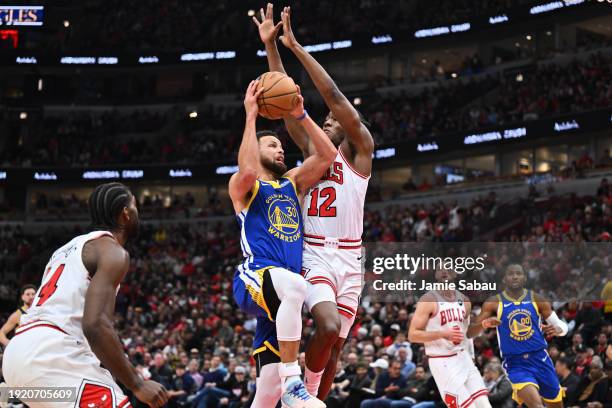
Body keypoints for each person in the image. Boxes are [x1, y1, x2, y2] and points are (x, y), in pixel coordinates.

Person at [253, 3, 375, 400]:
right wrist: (274, 48)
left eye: (334, 120)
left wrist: (297, 47)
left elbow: (335, 96)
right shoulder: (312, 152)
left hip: (351, 260)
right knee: (325, 328)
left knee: (336, 345)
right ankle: (302, 394)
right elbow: (286, 98)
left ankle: (316, 400)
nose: (328, 120)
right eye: (325, 120)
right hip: (316, 255)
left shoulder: (360, 151)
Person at [2, 182, 169, 408]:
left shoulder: (64, 249)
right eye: (135, 207)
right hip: (51, 355)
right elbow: (95, 325)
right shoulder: (112, 252)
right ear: (125, 214)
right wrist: (137, 384)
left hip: (17, 361)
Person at [230, 79, 336, 408]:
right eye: (272, 145)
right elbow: (247, 170)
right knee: (295, 285)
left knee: (267, 390)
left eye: (281, 146)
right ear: (256, 148)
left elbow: (328, 154)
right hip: (257, 277)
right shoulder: (242, 187)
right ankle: (295, 380)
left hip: (281, 297)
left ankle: (284, 383)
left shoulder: (292, 183)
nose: (281, 150)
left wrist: (302, 114)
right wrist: (251, 116)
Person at [469, 264, 568, 408]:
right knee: (537, 406)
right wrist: (484, 324)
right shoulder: (493, 303)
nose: (515, 276)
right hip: (516, 364)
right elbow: (470, 332)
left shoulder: (537, 299)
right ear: (504, 279)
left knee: (556, 405)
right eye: (511, 274)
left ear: (524, 278)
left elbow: (562, 326)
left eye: (518, 273)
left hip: (540, 358)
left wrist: (558, 330)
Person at [409, 268, 491, 408]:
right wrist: (442, 334)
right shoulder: (428, 300)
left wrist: (482, 326)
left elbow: (467, 333)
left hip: (463, 357)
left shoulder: (464, 301)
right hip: (442, 361)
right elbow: (413, 335)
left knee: (484, 404)